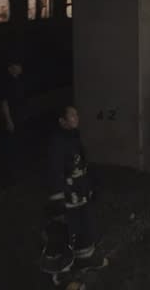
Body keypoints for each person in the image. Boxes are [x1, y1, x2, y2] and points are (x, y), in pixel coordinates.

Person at [43, 106, 107, 274]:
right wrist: (58, 199)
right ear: (62, 121)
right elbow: (54, 171)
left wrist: (93, 184)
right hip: (69, 196)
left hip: (81, 193)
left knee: (86, 226)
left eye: (76, 113)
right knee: (67, 232)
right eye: (72, 115)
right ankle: (64, 274)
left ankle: (85, 259)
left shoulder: (74, 137)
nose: (76, 117)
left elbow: (82, 163)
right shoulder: (56, 143)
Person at [0, 62, 26, 183]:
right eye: (16, 66)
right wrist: (9, 120)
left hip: (19, 117)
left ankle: (18, 173)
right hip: (13, 118)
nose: (19, 68)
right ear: (10, 69)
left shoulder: (18, 81)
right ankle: (11, 175)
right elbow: (4, 103)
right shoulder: (7, 83)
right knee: (12, 146)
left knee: (18, 145)